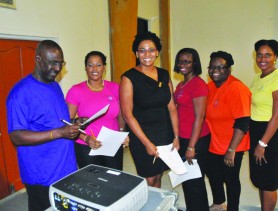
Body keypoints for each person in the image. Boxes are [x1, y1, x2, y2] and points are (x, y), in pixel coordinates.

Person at [6, 40, 83, 211]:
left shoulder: (54, 86)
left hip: (65, 168)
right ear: (38, 59)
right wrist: (58, 133)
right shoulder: (20, 93)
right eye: (53, 63)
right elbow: (16, 136)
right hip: (41, 174)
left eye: (60, 63)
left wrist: (72, 124)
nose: (57, 68)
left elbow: (53, 121)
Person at [120, 31, 179, 187]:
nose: (147, 54)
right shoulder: (128, 78)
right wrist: (146, 143)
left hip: (164, 132)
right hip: (141, 135)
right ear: (136, 53)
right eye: (142, 50)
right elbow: (127, 115)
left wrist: (176, 136)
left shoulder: (164, 75)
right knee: (149, 178)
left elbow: (172, 108)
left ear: (157, 52)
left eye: (151, 49)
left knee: (159, 174)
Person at [66, 50, 127, 170]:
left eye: (98, 65)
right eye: (90, 65)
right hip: (87, 146)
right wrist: (86, 138)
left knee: (114, 180)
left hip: (112, 144)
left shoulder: (115, 88)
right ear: (85, 68)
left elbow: (120, 115)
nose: (94, 68)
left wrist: (122, 133)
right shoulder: (76, 90)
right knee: (92, 183)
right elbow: (69, 123)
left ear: (104, 68)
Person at [205, 51, 251, 211]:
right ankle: (218, 203)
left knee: (230, 179)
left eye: (220, 67)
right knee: (213, 175)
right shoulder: (210, 86)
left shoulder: (237, 88)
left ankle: (233, 208)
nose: (214, 70)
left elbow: (243, 122)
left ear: (229, 70)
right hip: (214, 144)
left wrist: (231, 150)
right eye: (211, 67)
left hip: (232, 145)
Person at [249, 39, 278, 211]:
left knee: (269, 181)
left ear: (276, 57)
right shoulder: (259, 77)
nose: (262, 59)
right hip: (257, 130)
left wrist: (262, 143)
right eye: (259, 55)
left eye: (268, 55)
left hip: (270, 133)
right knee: (260, 178)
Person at [173, 48, 210, 210]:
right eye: (180, 61)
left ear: (195, 64)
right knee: (187, 179)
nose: (183, 64)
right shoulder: (182, 84)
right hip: (183, 137)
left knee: (195, 181)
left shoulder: (198, 85)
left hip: (196, 140)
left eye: (187, 61)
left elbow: (199, 118)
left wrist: (191, 146)